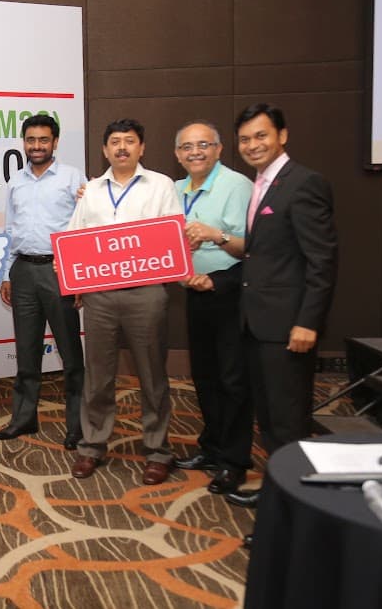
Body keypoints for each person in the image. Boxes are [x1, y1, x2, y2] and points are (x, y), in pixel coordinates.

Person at [226, 103, 337, 509]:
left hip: (288, 324)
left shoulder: (304, 183)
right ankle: (279, 487)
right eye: (245, 139)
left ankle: (292, 509)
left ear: (282, 136)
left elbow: (322, 261)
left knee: (289, 418)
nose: (253, 145)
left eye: (261, 135)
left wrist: (308, 322)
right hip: (257, 322)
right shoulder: (261, 185)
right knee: (270, 415)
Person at [67, 119, 182, 485]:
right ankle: (92, 447)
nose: (121, 148)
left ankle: (158, 450)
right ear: (104, 150)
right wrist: (73, 275)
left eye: (129, 141)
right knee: (98, 375)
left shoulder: (161, 185)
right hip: (99, 296)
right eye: (114, 142)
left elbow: (172, 232)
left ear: (141, 147)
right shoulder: (92, 192)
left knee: (151, 374)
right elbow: (75, 235)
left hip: (146, 293)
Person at [171, 121, 254, 497]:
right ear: (177, 154)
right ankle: (212, 447)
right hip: (194, 288)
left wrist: (213, 235)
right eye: (187, 147)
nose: (195, 152)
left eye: (203, 145)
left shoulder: (236, 186)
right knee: (204, 374)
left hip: (231, 288)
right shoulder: (174, 190)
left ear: (219, 149)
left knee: (233, 378)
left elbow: (248, 246)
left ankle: (235, 461)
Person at [0, 114, 86, 449]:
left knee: (70, 354)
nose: (36, 146)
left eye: (43, 140)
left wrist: (79, 276)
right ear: (24, 142)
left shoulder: (72, 177)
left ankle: (77, 425)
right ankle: (24, 418)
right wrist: (7, 273)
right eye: (30, 140)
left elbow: (84, 227)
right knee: (26, 351)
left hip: (59, 271)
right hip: (22, 271)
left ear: (55, 142)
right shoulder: (15, 181)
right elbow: (10, 229)